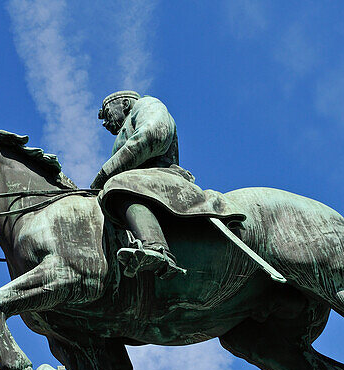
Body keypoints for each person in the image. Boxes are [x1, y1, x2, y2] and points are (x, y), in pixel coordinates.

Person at [91, 91, 243, 280]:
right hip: (143, 182)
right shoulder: (125, 127)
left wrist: (104, 175)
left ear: (124, 103)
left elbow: (154, 135)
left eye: (107, 113)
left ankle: (156, 248)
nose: (105, 122)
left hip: (162, 177)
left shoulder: (146, 105)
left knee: (117, 184)